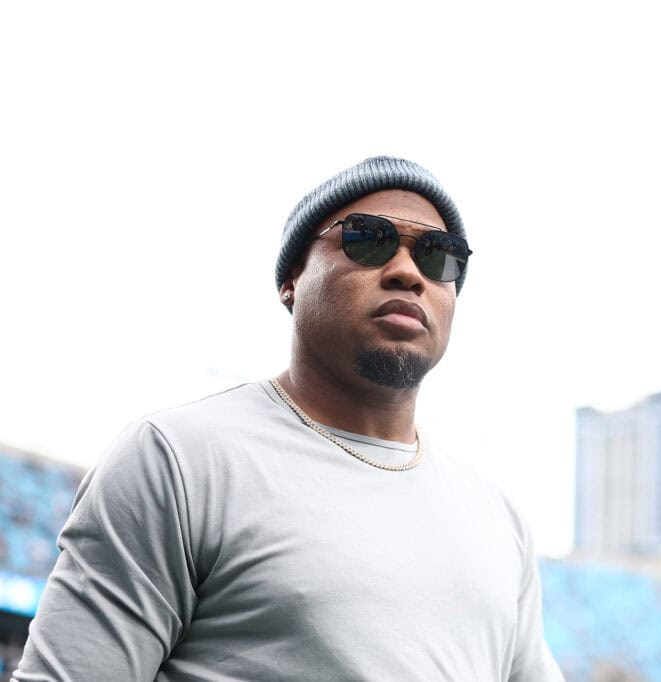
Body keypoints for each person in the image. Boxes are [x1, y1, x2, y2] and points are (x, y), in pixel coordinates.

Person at [15, 156, 565, 681]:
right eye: (367, 239)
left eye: (439, 255)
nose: (406, 271)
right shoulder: (180, 460)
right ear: (291, 281)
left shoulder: (497, 517)